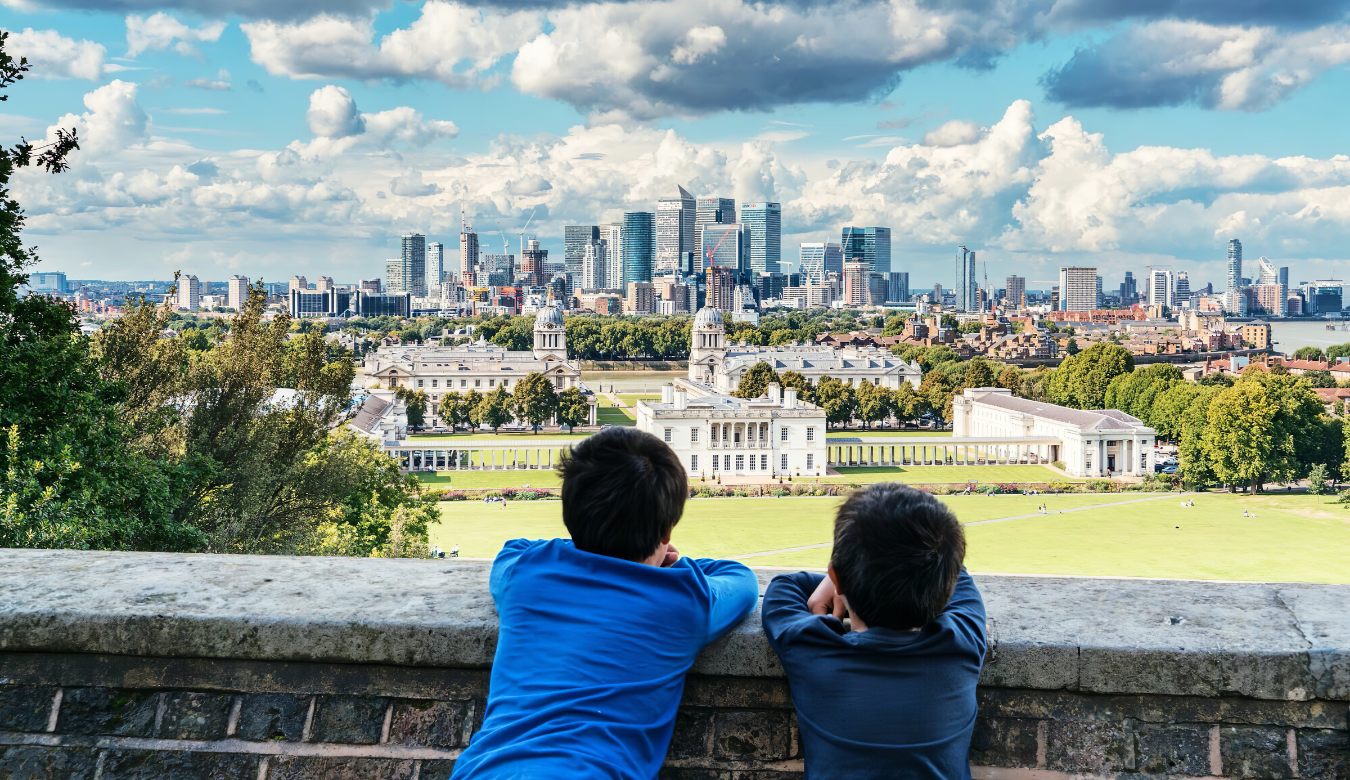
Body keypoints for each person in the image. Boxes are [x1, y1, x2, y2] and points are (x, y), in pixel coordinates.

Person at [453, 426, 759, 779]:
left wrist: (582, 544)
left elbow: (513, 550)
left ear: (571, 516)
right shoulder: (683, 599)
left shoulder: (527, 573)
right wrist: (673, 568)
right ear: (666, 533)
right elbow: (742, 581)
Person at [762, 483, 986, 780]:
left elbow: (782, 588)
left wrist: (843, 578)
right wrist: (844, 576)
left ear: (836, 577)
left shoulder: (810, 648)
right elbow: (956, 573)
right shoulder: (960, 646)